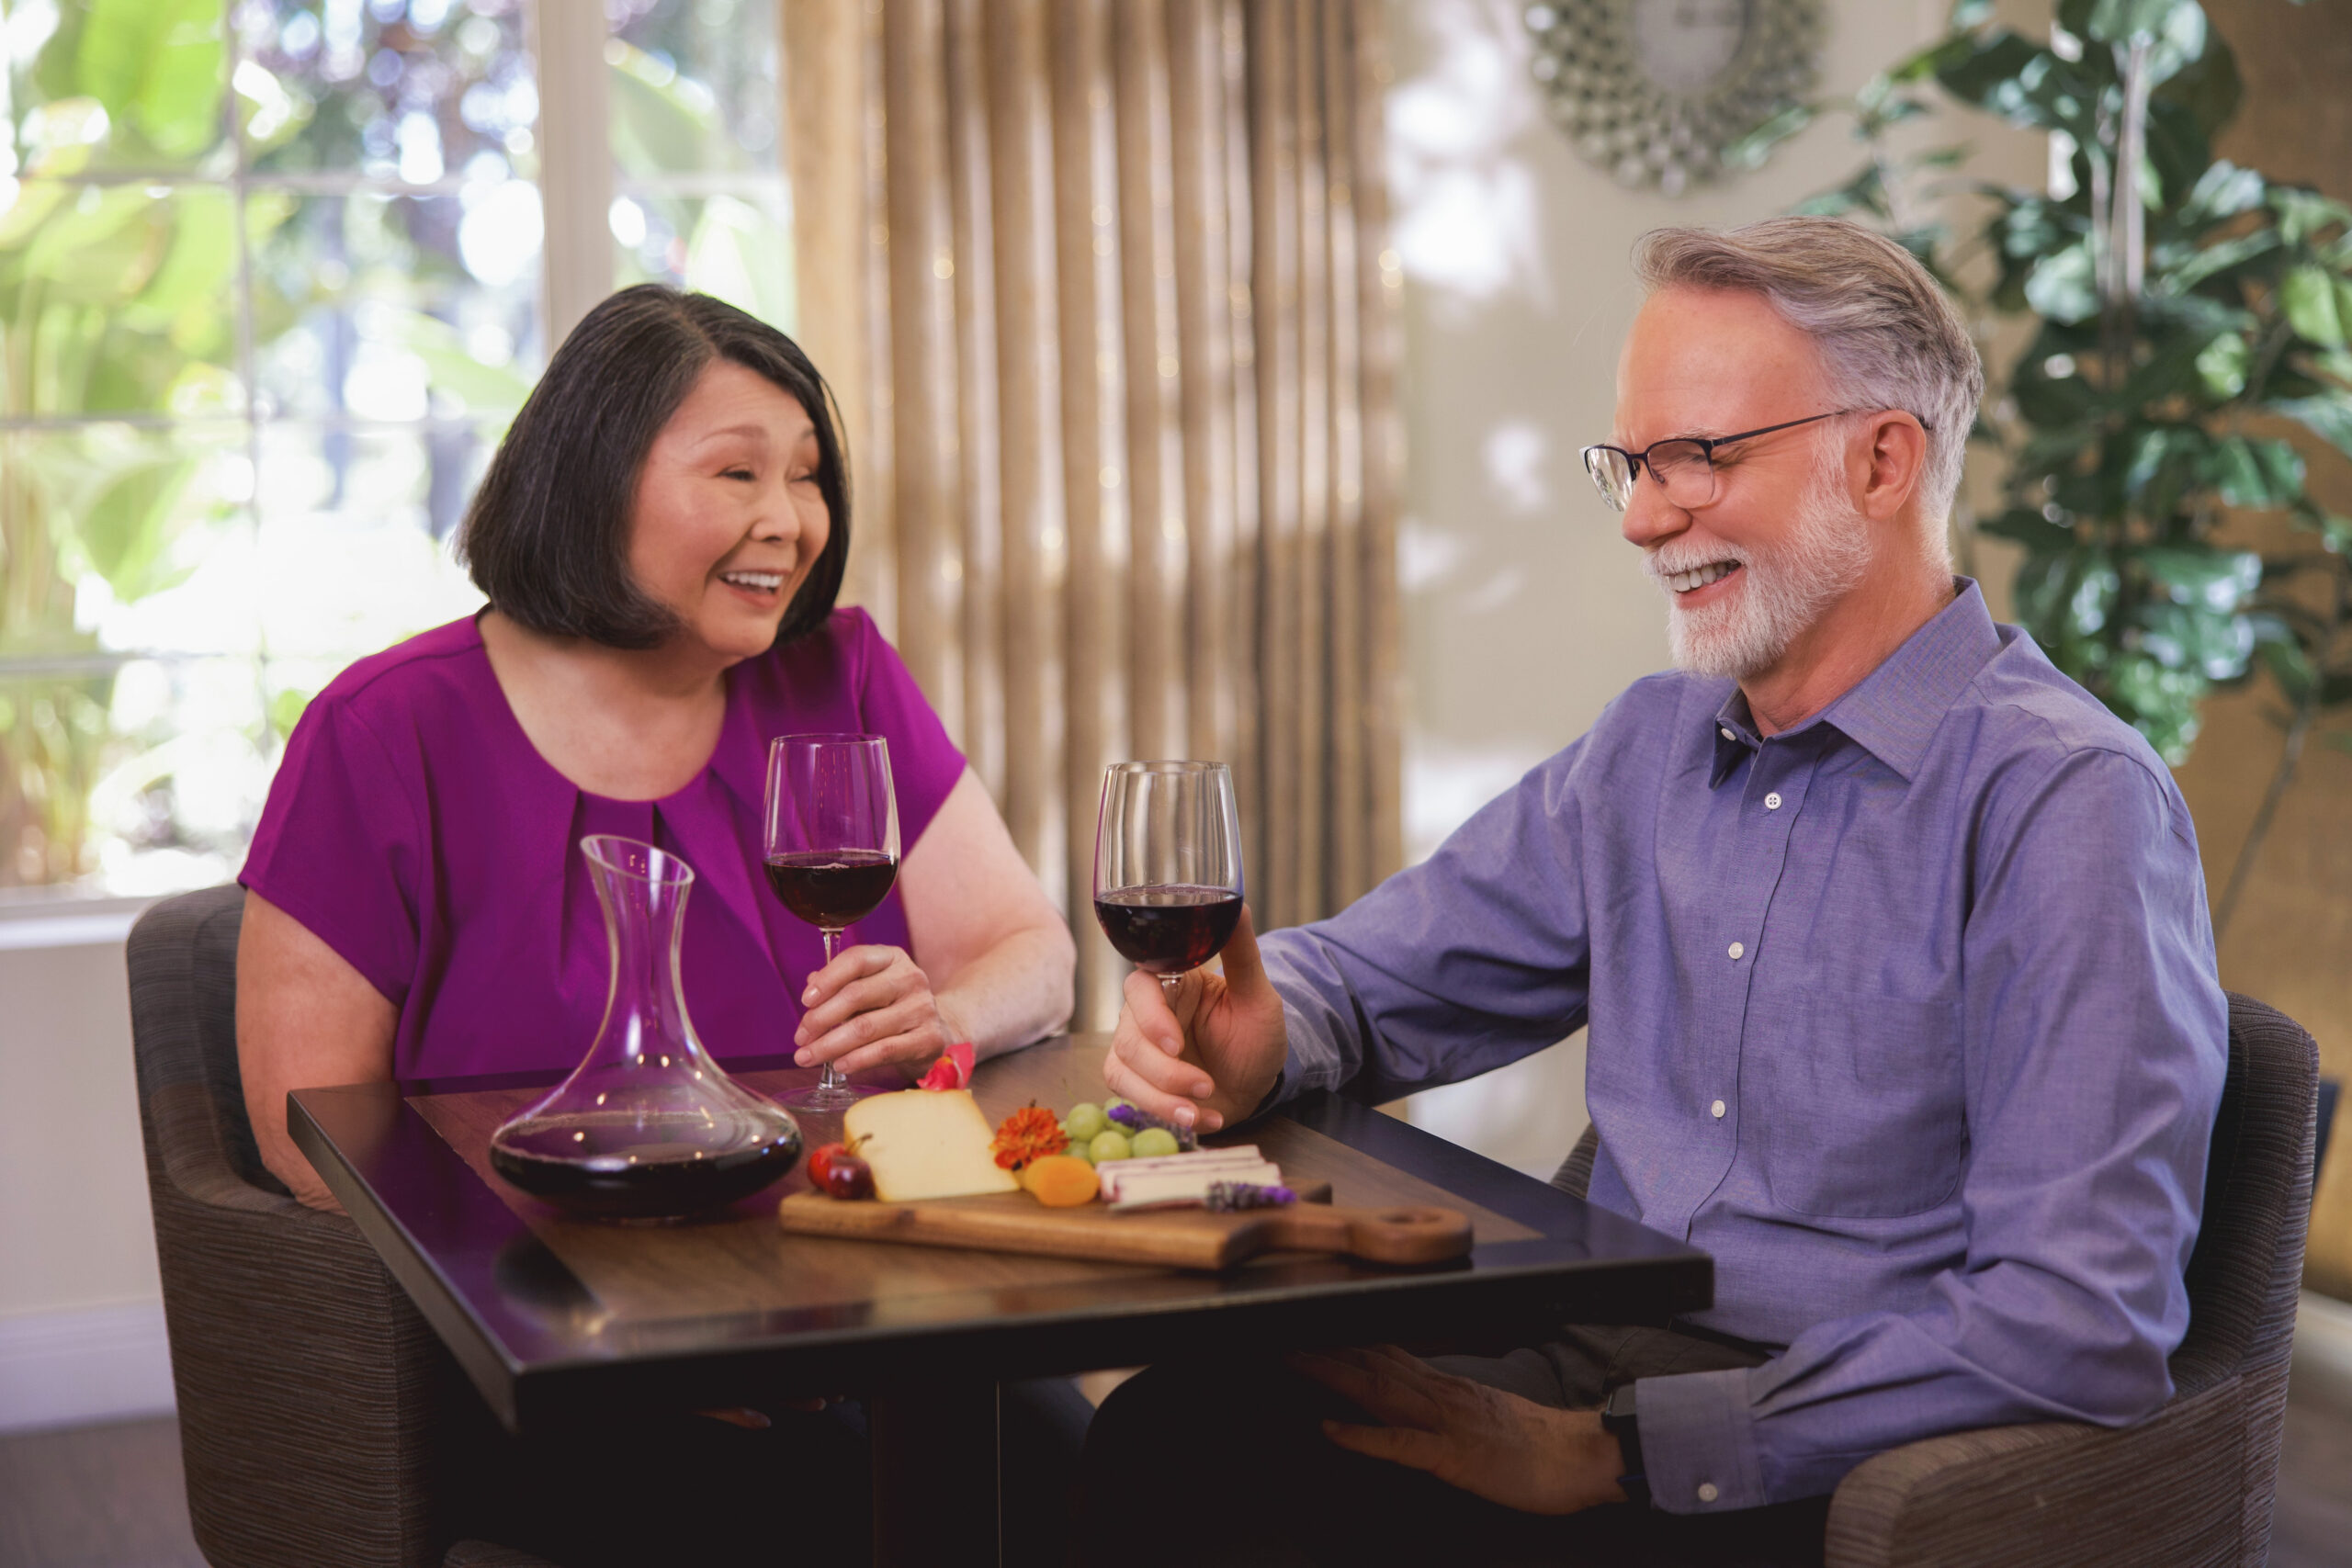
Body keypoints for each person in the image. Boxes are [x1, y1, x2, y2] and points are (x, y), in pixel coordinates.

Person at [1084, 218, 2227, 1567]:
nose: (1640, 516)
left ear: (1882, 458)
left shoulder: (2065, 800)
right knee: (1180, 1430)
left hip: (1825, 1444)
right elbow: (1392, 965)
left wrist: (1624, 1447)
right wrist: (1266, 1025)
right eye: (1630, 462)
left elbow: (2076, 1312)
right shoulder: (1651, 744)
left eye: (1697, 457)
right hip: (1580, 1343)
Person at [237, 285, 1075, 1213]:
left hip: (853, 1253)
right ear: (592, 482)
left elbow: (1035, 956)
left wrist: (944, 1019)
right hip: (536, 1288)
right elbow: (303, 1133)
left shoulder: (843, 673)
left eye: (805, 476)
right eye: (736, 474)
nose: (791, 523)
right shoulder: (383, 731)